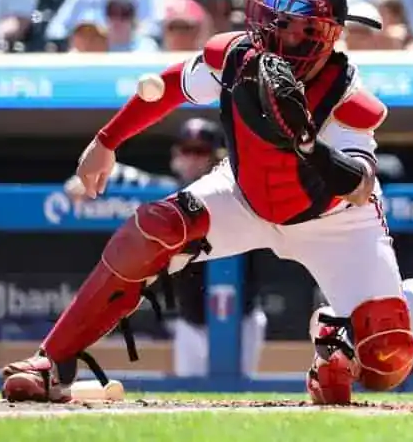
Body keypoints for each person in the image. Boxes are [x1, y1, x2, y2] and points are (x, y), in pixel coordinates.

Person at [1, 0, 413, 406]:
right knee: (151, 229)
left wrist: (308, 144)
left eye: (297, 25)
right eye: (278, 19)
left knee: (387, 361)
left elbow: (357, 185)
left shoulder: (348, 98)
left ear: (325, 34)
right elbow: (165, 88)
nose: (280, 33)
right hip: (243, 194)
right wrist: (107, 140)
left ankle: (335, 335)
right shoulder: (236, 56)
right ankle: (52, 362)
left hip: (334, 219)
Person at [61, 118, 268, 378]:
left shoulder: (238, 192)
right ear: (176, 155)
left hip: (241, 317)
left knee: (239, 393)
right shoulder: (169, 194)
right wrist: (85, 180)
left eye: (200, 151)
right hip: (191, 322)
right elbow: (127, 176)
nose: (192, 158)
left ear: (218, 156)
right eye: (186, 150)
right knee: (193, 396)